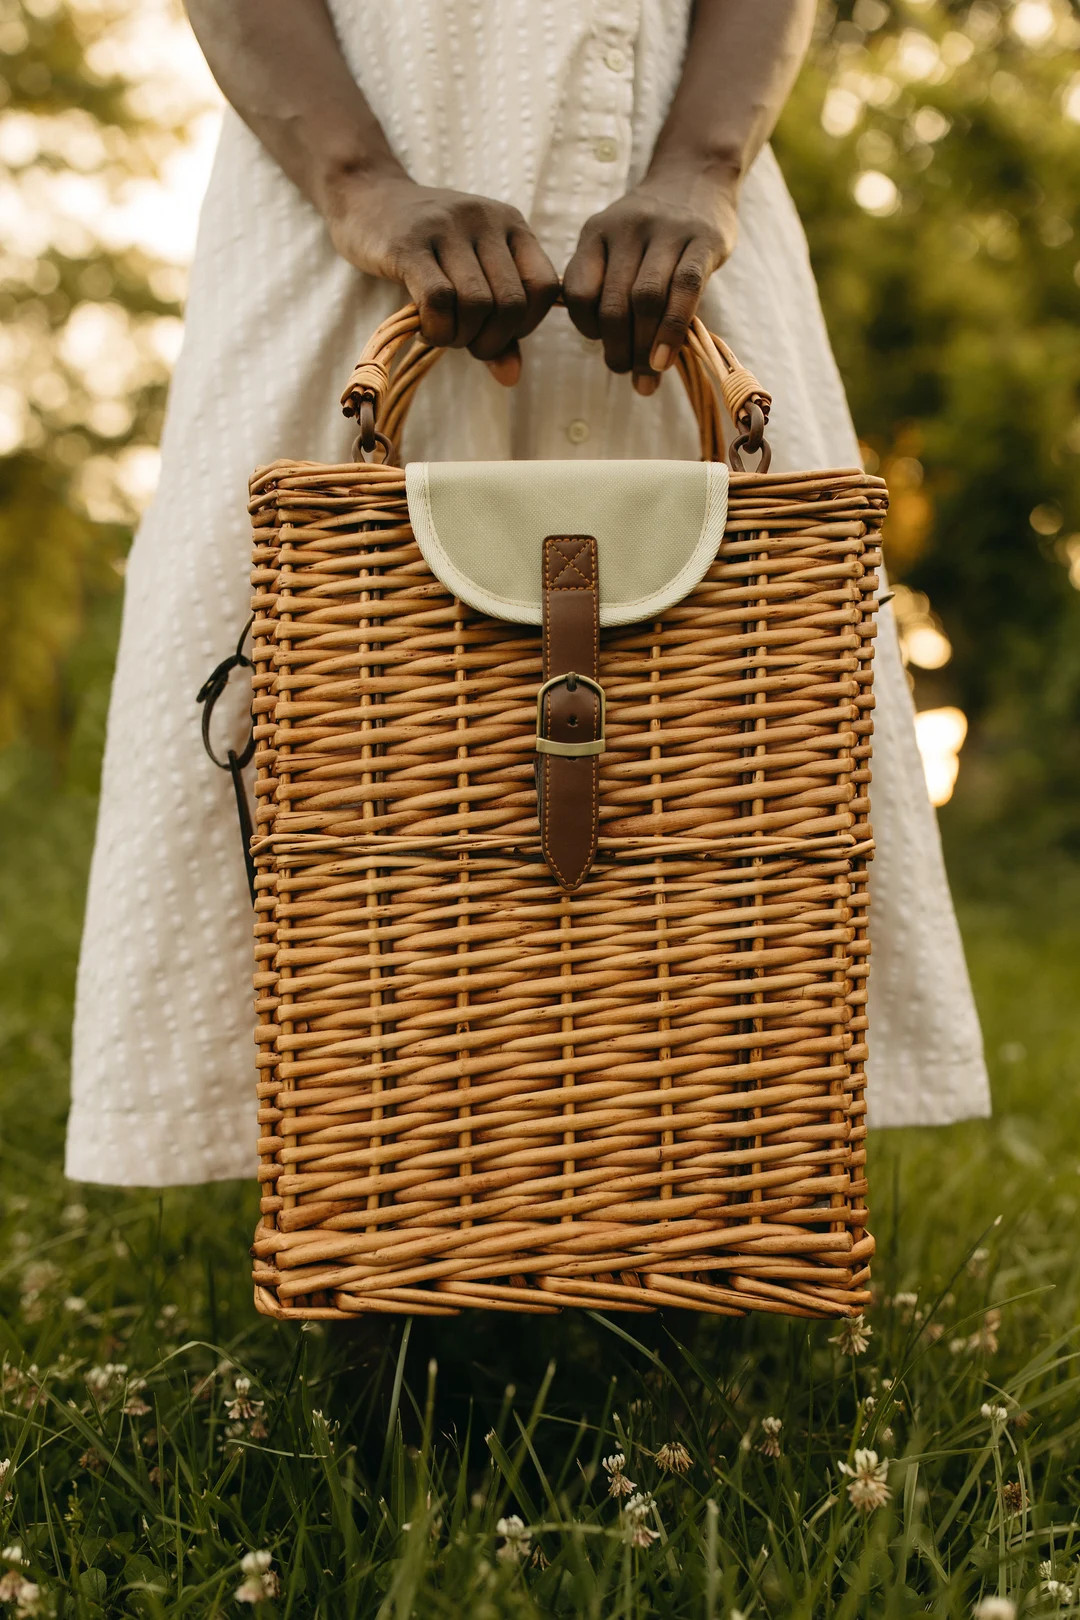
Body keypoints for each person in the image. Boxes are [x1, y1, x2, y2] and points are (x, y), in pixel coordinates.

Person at [65, 0, 990, 1187]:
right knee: (304, 638)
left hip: (669, 163)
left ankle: (694, 1153)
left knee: (724, 687)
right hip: (353, 131)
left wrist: (705, 168)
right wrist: (357, 181)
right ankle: (360, 1156)